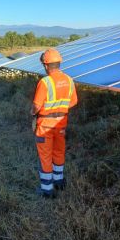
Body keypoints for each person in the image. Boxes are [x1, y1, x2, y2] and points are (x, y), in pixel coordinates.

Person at [31, 48, 78, 198]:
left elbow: (37, 106)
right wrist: (60, 109)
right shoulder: (69, 80)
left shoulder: (45, 82)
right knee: (59, 151)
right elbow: (74, 101)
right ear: (59, 63)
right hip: (61, 124)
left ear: (45, 65)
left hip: (45, 125)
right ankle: (59, 182)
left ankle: (47, 189)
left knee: (45, 155)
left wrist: (32, 113)